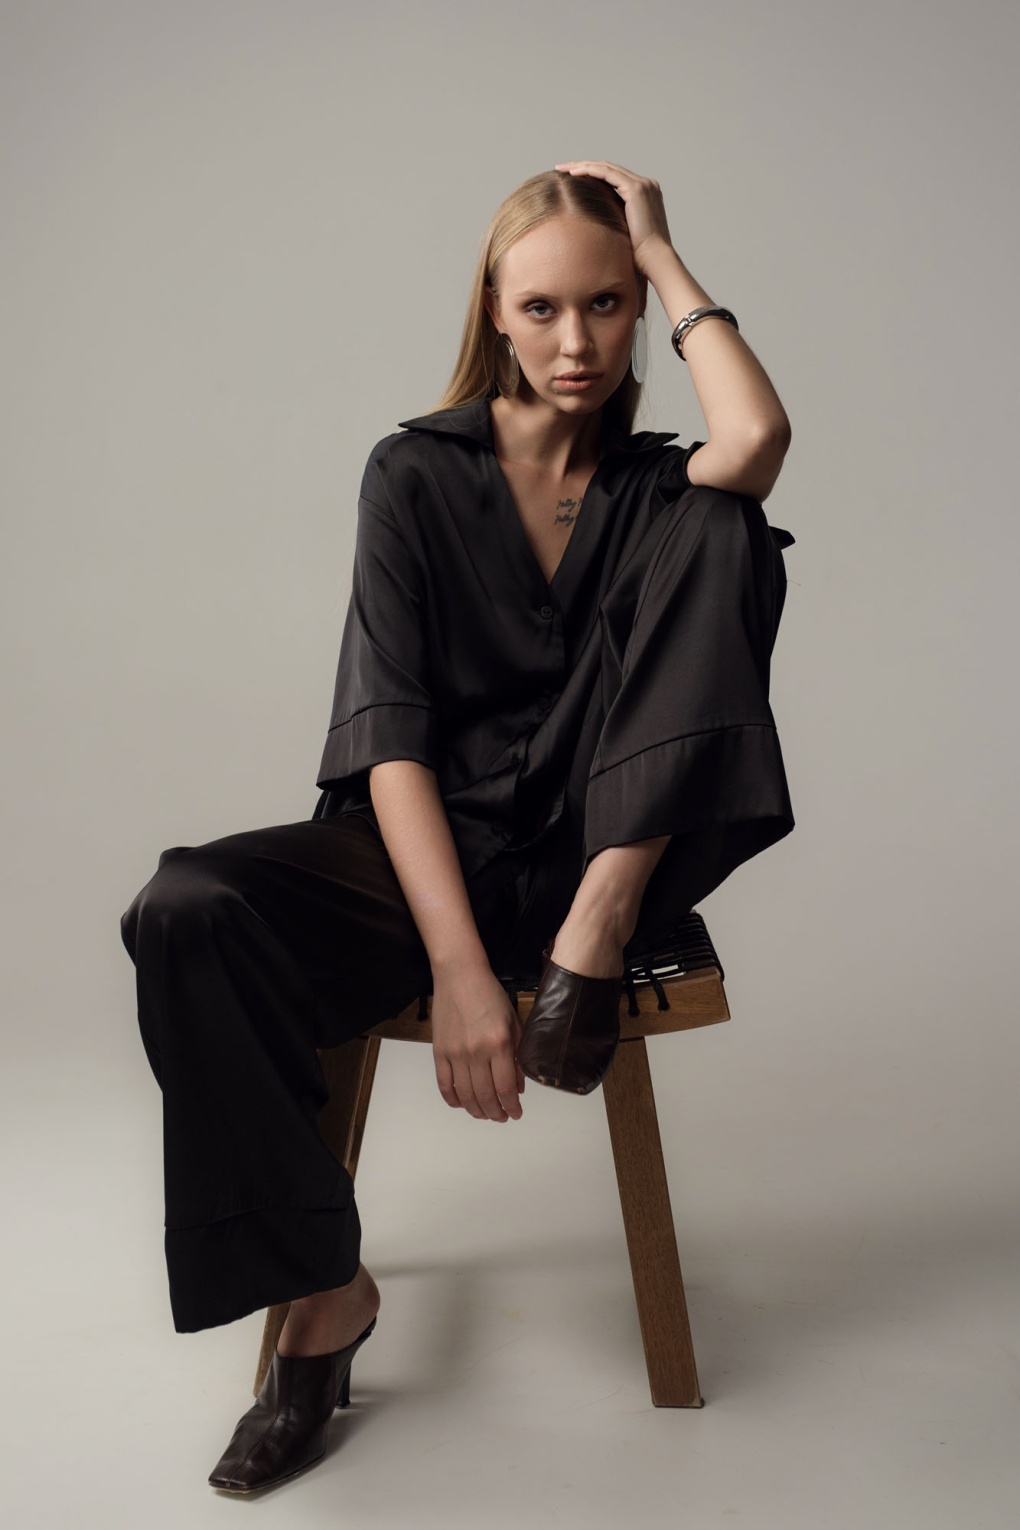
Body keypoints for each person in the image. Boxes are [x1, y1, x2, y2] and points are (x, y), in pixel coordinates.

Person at [120, 159, 796, 1493]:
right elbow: (389, 733)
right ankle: (325, 1288)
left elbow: (759, 440)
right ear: (494, 309)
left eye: (607, 304)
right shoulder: (413, 474)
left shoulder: (660, 489)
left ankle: (596, 927)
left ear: (638, 309)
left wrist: (664, 252)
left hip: (601, 866)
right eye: (541, 307)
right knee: (184, 907)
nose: (576, 340)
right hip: (423, 860)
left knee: (730, 523)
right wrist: (460, 967)